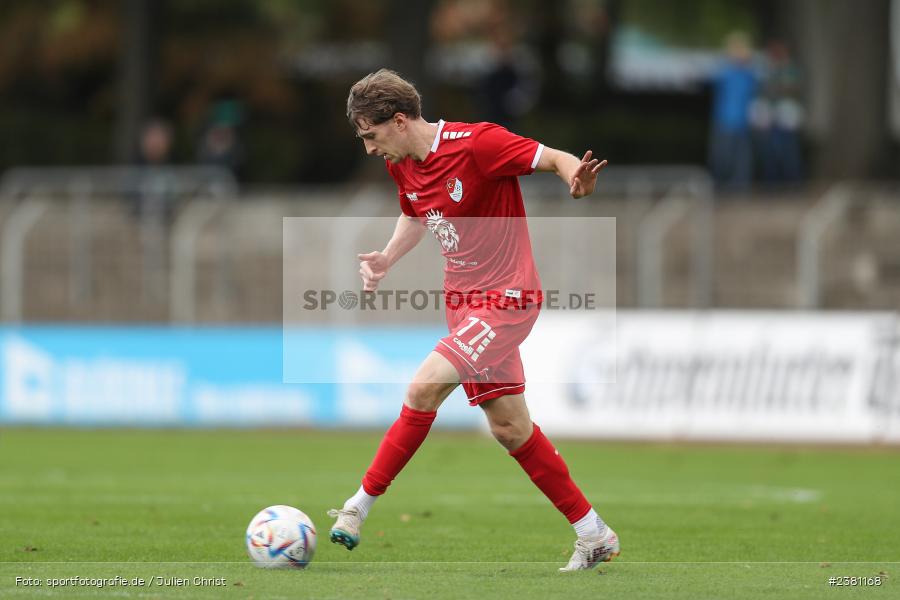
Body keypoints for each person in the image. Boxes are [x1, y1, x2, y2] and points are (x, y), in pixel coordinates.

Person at [327, 68, 618, 571]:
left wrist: (577, 178)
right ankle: (593, 534)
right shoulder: (404, 164)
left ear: (399, 120)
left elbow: (552, 158)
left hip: (507, 298)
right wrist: (386, 259)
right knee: (509, 428)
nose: (370, 150)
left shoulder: (477, 144)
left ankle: (357, 507)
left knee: (422, 389)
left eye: (372, 137)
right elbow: (418, 214)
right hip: (463, 305)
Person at [708, 31, 758, 191]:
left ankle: (740, 191)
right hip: (724, 123)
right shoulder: (725, 72)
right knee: (723, 159)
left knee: (742, 162)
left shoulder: (749, 74)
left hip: (742, 125)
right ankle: (720, 189)